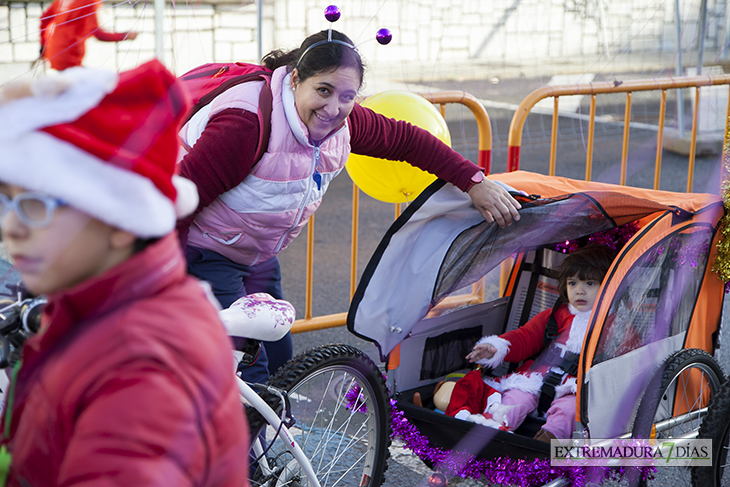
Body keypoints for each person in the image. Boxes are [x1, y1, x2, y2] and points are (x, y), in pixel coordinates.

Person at [177, 28, 522, 383]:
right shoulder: (245, 124)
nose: (333, 109)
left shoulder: (345, 120)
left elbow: (407, 141)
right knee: (248, 370)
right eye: (323, 91)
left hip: (254, 254)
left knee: (279, 353)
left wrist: (473, 181)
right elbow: (178, 203)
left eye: (347, 96)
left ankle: (265, 433)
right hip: (202, 252)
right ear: (296, 79)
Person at [0, 60, 248, 485]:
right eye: (5, 198)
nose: (10, 228)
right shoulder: (86, 301)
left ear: (117, 221)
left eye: (36, 205)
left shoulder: (145, 369)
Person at [464, 244, 614, 441]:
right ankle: (492, 432)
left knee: (569, 411)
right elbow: (524, 337)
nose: (580, 291)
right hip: (536, 378)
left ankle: (544, 444)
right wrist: (495, 347)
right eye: (573, 283)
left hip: (577, 386)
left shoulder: (614, 324)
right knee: (514, 398)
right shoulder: (555, 315)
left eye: (590, 284)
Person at [39, 0, 137, 71]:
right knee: (95, 84)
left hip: (54, 53)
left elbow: (44, 19)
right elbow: (98, 34)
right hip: (70, 58)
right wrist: (124, 35)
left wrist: (43, 46)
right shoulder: (88, 2)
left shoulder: (60, 1)